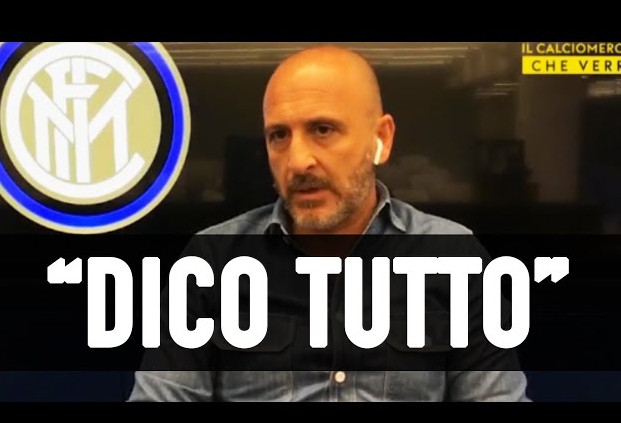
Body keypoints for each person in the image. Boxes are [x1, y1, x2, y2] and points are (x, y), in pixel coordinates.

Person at [128, 44, 530, 402]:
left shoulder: (452, 257)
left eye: (323, 130)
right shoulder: (213, 262)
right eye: (279, 136)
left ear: (382, 139)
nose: (298, 161)